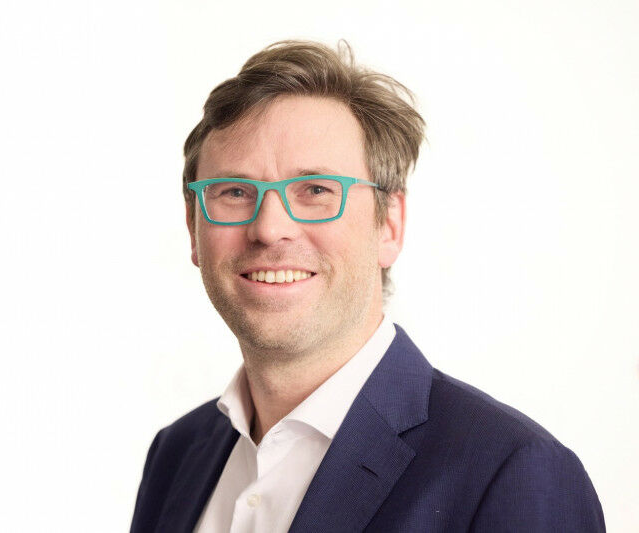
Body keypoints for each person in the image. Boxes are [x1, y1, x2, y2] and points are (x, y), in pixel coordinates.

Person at [130, 40, 605, 532]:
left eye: (316, 190)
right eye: (234, 192)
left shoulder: (512, 471)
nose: (269, 228)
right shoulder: (175, 456)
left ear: (389, 225)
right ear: (193, 229)